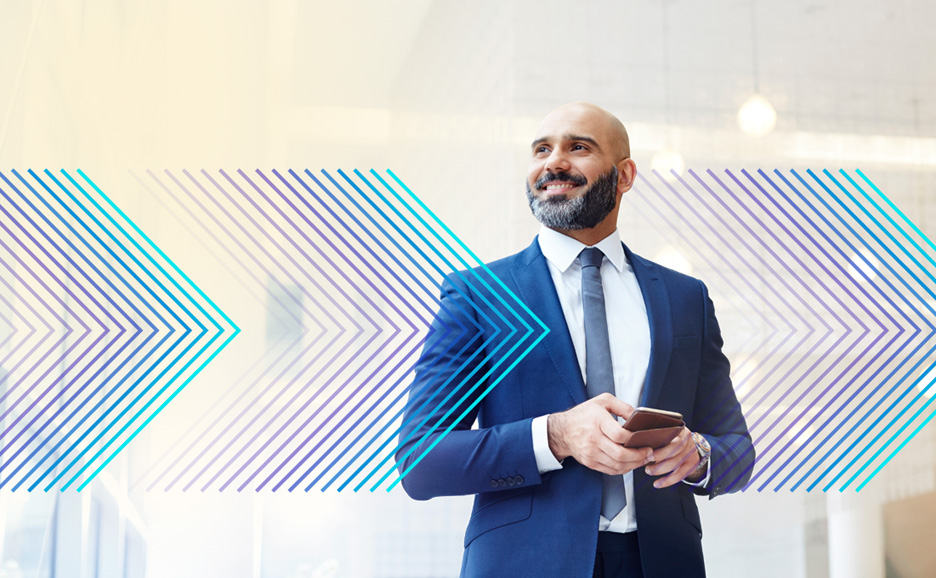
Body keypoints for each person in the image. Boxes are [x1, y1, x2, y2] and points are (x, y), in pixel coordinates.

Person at [395, 102, 754, 578]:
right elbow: (420, 460)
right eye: (541, 149)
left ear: (624, 176)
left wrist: (698, 456)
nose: (553, 162)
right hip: (523, 563)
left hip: (662, 563)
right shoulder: (480, 295)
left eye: (577, 147)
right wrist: (555, 436)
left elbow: (737, 450)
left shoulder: (686, 299)